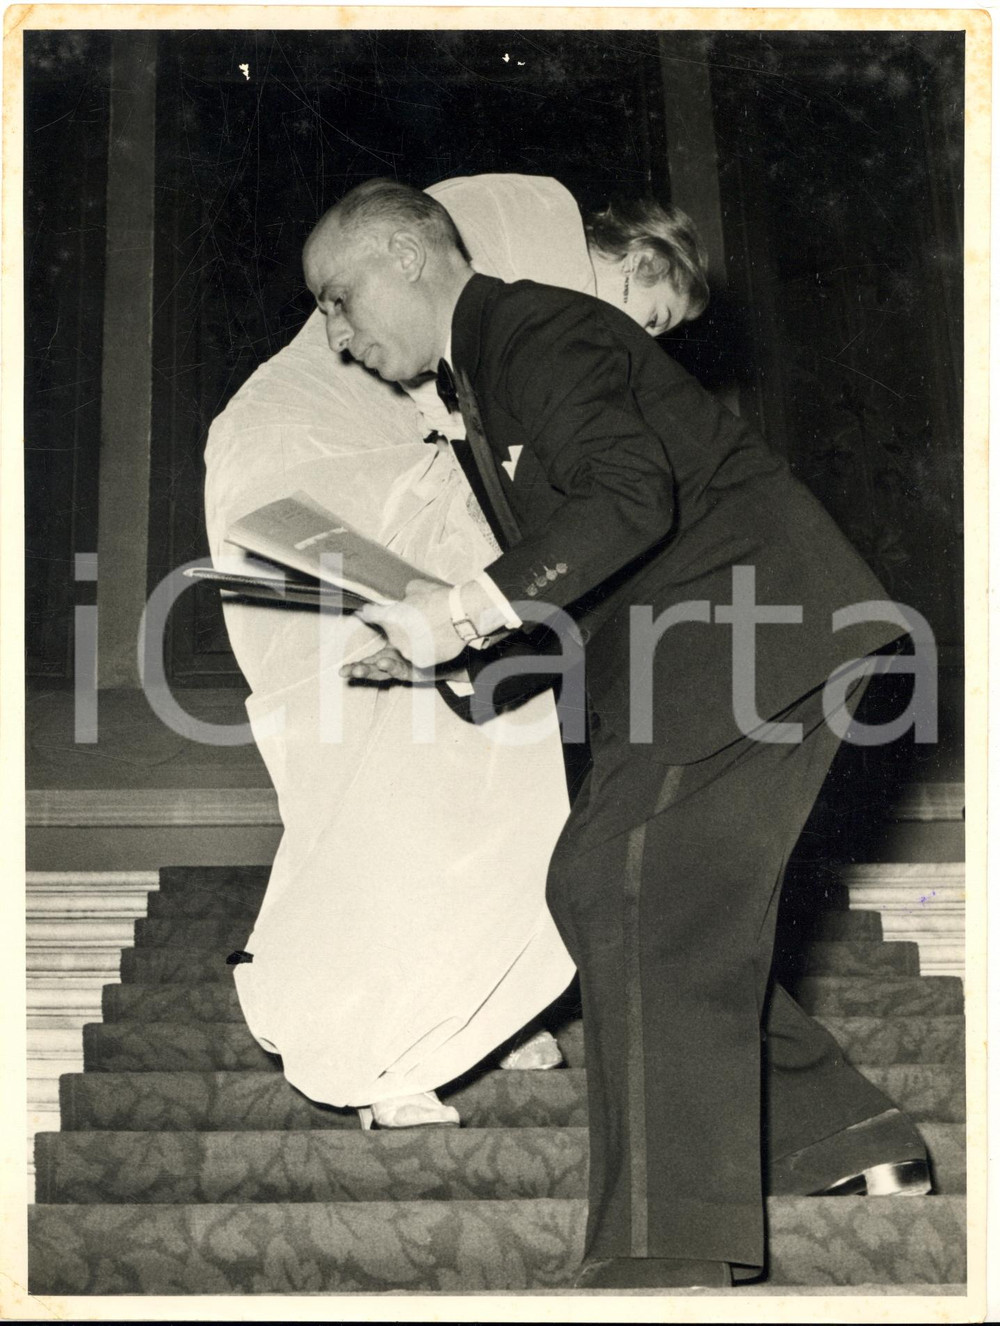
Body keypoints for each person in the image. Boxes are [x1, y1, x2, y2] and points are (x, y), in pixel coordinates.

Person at [304, 178, 932, 1286]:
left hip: (756, 637)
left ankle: (666, 1252)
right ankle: (849, 1139)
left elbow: (629, 503)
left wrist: (456, 609)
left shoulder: (532, 326)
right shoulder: (490, 374)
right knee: (596, 886)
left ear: (407, 257)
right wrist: (446, 656)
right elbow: (591, 571)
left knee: (635, 890)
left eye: (339, 298)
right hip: (710, 656)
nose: (334, 333)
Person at [203, 174, 706, 1129]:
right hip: (341, 478)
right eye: (651, 317)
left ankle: (462, 1013)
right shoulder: (528, 236)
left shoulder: (516, 269)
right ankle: (386, 1048)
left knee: (472, 764)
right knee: (407, 765)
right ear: (634, 261)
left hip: (359, 484)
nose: (640, 348)